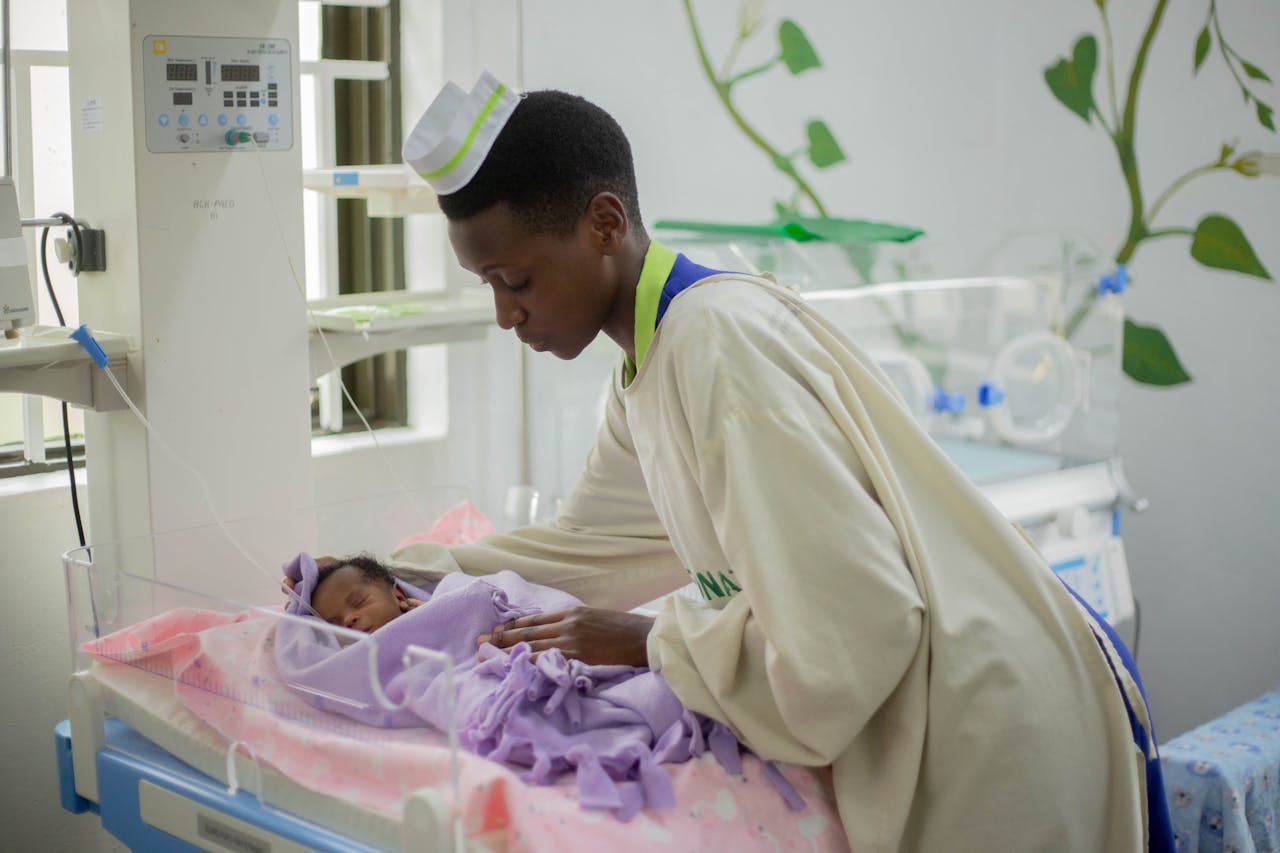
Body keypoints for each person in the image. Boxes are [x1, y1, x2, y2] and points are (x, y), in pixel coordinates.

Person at [391, 71, 1174, 851]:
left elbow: (853, 635)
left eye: (515, 280)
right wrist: (396, 577)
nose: (505, 314)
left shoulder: (715, 347)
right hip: (966, 702)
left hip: (995, 724)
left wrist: (647, 640)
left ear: (604, 223)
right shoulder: (646, 372)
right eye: (488, 285)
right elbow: (584, 551)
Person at [307, 554, 422, 633]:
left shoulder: (424, 613)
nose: (348, 619)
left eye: (358, 602)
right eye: (335, 625)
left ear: (398, 596)